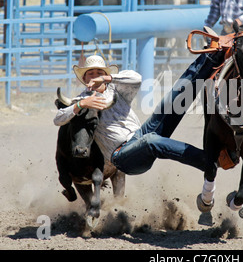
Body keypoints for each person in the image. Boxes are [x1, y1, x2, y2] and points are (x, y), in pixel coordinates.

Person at [53, 51, 224, 175]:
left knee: (170, 102)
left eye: (100, 73)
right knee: (151, 141)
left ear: (106, 75)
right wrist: (81, 104)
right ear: (85, 79)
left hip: (139, 135)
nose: (95, 76)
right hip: (122, 156)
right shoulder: (81, 101)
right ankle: (210, 161)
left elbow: (136, 78)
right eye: (91, 73)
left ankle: (211, 56)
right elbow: (58, 118)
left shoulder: (117, 90)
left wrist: (108, 79)